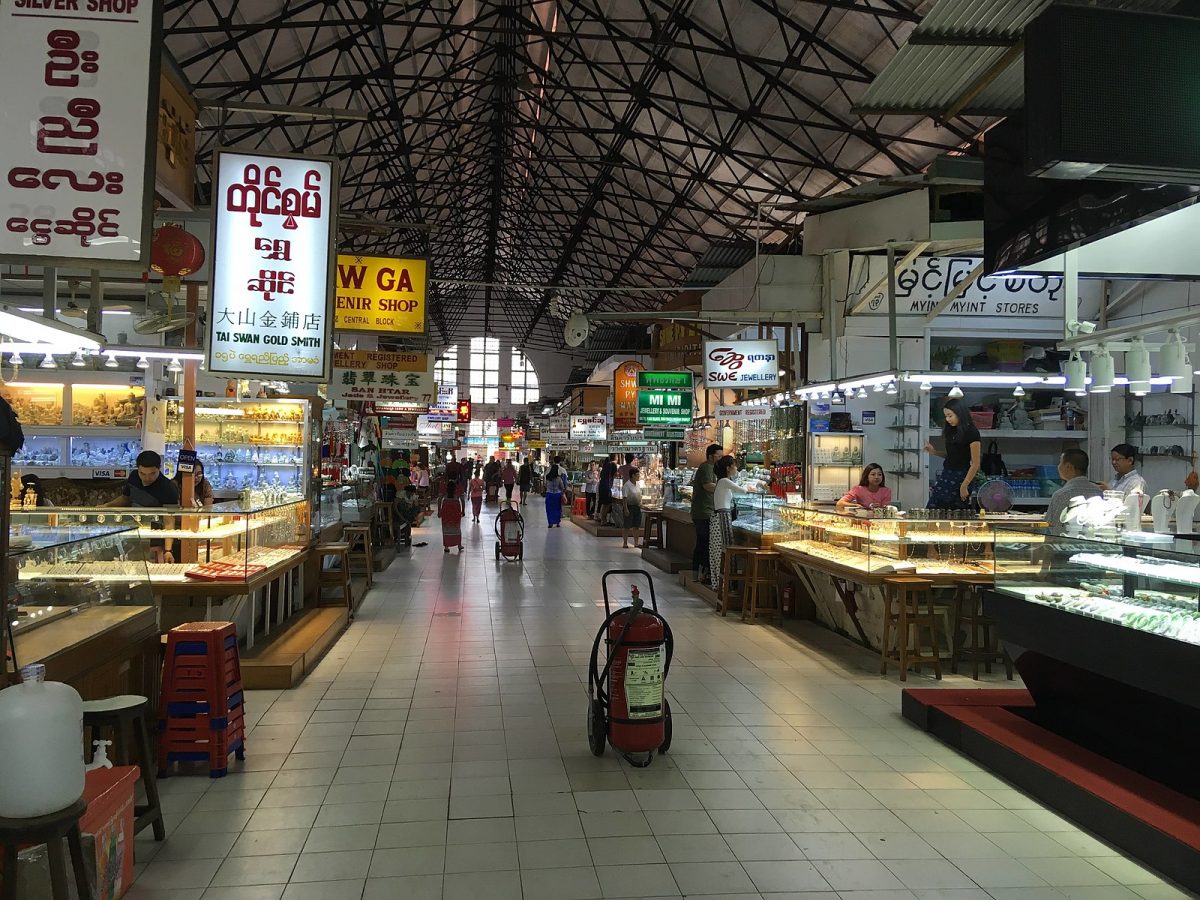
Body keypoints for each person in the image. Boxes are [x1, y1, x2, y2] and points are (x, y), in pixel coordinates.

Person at [104, 450, 180, 562]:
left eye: (152, 474)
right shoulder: (134, 477)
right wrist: (106, 506)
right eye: (142, 473)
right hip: (132, 531)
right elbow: (125, 498)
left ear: (159, 468)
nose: (147, 478)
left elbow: (169, 521)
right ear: (138, 470)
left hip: (154, 537)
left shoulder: (168, 488)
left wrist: (168, 550)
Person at [924, 398, 982, 509]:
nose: (947, 419)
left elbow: (975, 463)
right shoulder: (951, 430)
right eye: (946, 416)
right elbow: (952, 456)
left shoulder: (972, 432)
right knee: (933, 508)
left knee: (956, 511)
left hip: (962, 476)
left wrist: (964, 485)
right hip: (947, 474)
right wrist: (934, 452)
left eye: (950, 416)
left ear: (960, 413)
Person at [709, 455, 753, 589]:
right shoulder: (724, 481)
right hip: (721, 519)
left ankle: (722, 584)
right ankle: (723, 584)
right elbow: (743, 491)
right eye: (734, 466)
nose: (736, 468)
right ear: (728, 468)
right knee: (721, 550)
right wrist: (755, 487)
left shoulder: (723, 481)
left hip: (722, 517)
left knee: (720, 550)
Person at [1046, 449, 1102, 534]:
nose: (1058, 467)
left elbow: (1053, 527)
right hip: (1094, 543)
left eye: (1060, 463)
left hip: (1065, 544)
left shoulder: (1061, 495)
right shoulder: (1099, 492)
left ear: (1068, 466)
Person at [690, 443, 720, 582]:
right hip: (703, 512)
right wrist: (725, 488)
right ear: (710, 456)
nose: (720, 458)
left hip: (706, 511)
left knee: (704, 542)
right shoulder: (706, 467)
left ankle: (699, 573)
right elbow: (708, 486)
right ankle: (702, 573)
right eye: (718, 456)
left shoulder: (712, 468)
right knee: (705, 542)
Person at [620, 467, 644, 549]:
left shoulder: (637, 484)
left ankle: (636, 543)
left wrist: (640, 502)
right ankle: (625, 542)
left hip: (637, 507)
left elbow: (639, 495)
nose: (639, 476)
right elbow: (624, 498)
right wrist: (625, 508)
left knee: (636, 526)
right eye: (637, 475)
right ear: (633, 476)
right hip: (629, 507)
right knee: (627, 526)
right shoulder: (627, 485)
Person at [439, 482, 464, 552]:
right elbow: (462, 500)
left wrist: (439, 510)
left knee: (446, 527)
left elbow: (439, 499)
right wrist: (463, 510)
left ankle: (446, 547)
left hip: (446, 507)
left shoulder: (443, 486)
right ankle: (459, 545)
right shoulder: (459, 486)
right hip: (455, 507)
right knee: (457, 526)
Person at [596, 453, 617, 524]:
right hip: (607, 487)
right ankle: (603, 519)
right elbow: (615, 475)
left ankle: (602, 519)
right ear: (615, 457)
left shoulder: (605, 466)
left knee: (604, 504)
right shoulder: (613, 465)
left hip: (602, 486)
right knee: (608, 503)